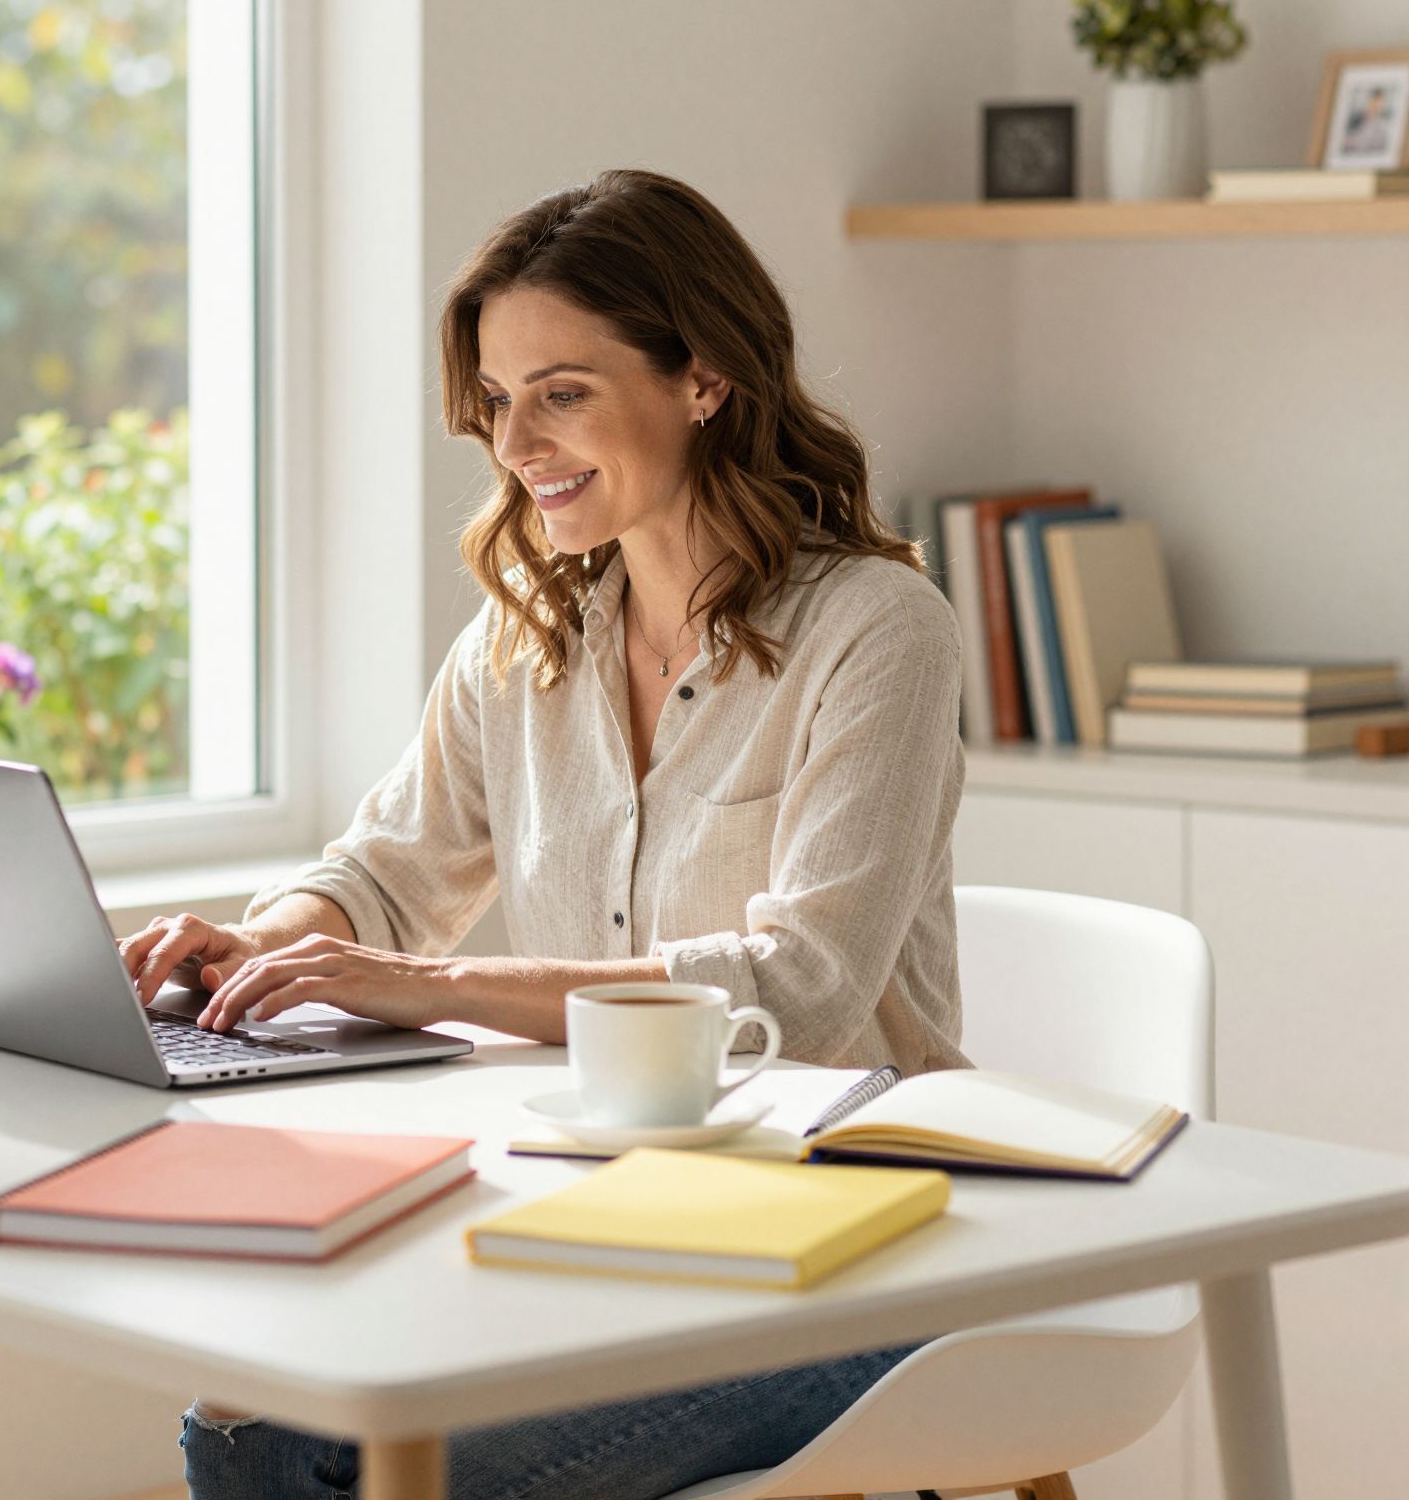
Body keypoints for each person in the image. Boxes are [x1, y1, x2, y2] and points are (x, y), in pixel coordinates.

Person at [119, 168, 965, 1500]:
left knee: (352, 1457)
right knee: (249, 1415)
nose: (517, 443)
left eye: (561, 393)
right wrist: (265, 947)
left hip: (852, 1246)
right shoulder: (528, 634)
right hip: (601, 1219)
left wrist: (431, 985)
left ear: (705, 377)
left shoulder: (877, 629)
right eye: (497, 400)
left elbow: (799, 993)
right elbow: (387, 872)